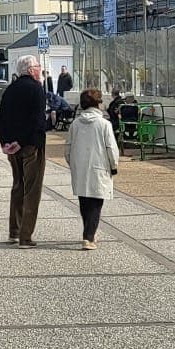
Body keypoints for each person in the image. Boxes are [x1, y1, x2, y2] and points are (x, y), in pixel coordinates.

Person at [0, 54, 50, 247]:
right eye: (37, 66)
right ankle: (26, 236)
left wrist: (5, 142)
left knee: (18, 186)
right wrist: (21, 141)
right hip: (31, 146)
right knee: (32, 190)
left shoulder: (10, 89)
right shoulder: (36, 89)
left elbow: (0, 119)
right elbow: (37, 121)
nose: (40, 69)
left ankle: (14, 231)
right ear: (30, 70)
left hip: (12, 148)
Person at [67, 88, 121, 249]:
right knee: (96, 203)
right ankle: (88, 237)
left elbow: (68, 148)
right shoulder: (104, 124)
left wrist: (73, 164)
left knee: (84, 201)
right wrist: (114, 165)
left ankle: (89, 232)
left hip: (80, 167)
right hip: (100, 167)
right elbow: (111, 148)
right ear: (98, 104)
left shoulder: (75, 124)